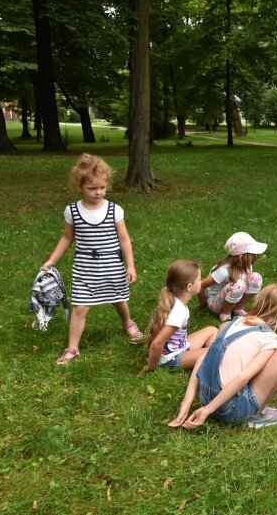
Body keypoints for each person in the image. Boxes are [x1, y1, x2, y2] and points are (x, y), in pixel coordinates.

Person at [41, 154, 140, 366]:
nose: (98, 192)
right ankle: (72, 348)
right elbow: (67, 238)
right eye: (93, 188)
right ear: (80, 186)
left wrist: (130, 265)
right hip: (85, 268)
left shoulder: (114, 210)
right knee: (80, 307)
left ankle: (128, 323)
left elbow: (125, 240)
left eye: (102, 187)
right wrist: (52, 260)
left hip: (112, 266)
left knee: (118, 298)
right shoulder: (73, 211)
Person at [168, 284, 277, 429]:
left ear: (258, 302)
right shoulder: (269, 338)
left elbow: (202, 359)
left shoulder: (231, 323)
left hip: (205, 398)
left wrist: (187, 402)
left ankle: (225, 406)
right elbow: (243, 376)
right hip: (231, 410)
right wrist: (207, 411)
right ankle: (257, 414)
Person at [142, 260, 218, 372]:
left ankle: (207, 357)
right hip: (171, 358)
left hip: (180, 346)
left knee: (212, 330)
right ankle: (210, 359)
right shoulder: (178, 312)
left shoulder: (175, 300)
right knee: (216, 353)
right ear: (189, 286)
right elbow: (157, 343)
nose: (201, 282)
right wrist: (151, 365)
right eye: (199, 280)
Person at [199, 232, 266, 322]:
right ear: (241, 258)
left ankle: (238, 308)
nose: (256, 256)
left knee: (256, 277)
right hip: (215, 303)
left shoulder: (247, 266)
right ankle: (225, 313)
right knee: (239, 285)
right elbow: (202, 285)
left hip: (232, 298)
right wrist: (203, 306)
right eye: (253, 254)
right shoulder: (223, 271)